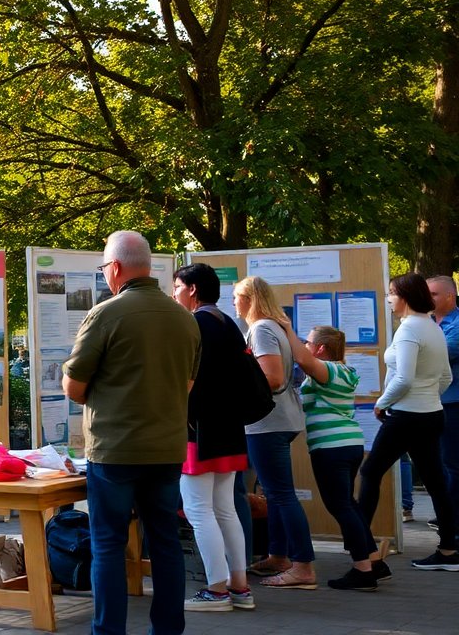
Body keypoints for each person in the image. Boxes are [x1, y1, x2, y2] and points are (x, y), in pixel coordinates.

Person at [62, 231, 199, 635]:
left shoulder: (105, 314)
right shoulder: (185, 319)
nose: (105, 275)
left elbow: (73, 387)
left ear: (116, 268)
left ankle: (108, 631)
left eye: (105, 268)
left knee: (107, 544)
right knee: (165, 543)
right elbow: (187, 385)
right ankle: (169, 630)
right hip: (167, 449)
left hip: (115, 450)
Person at [357, 272, 458, 570]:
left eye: (391, 292)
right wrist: (429, 397)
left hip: (406, 415)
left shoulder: (410, 329)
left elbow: (403, 377)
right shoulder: (432, 327)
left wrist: (382, 403)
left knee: (371, 471)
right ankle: (449, 550)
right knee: (436, 482)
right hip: (430, 413)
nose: (388, 298)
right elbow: (446, 377)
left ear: (405, 297)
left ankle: (362, 553)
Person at [171, 263, 254, 612]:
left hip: (197, 429)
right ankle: (240, 587)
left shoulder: (193, 324)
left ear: (192, 289)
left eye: (176, 286)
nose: (173, 293)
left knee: (199, 510)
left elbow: (183, 379)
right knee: (225, 508)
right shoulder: (229, 325)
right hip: (230, 428)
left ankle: (217, 591)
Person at [278, 322, 380, 590]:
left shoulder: (330, 371)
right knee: (347, 503)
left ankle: (363, 570)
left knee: (340, 506)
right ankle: (373, 561)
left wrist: (287, 330)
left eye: (309, 342)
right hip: (348, 444)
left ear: (321, 348)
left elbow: (302, 358)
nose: (306, 346)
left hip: (331, 448)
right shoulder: (342, 370)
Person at [234, 275, 317, 589]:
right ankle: (279, 556)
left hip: (268, 423)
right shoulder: (272, 327)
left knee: (281, 495)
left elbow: (271, 378)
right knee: (275, 493)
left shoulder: (261, 329)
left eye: (237, 297)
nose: (234, 303)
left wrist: (232, 391)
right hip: (279, 420)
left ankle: (303, 567)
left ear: (250, 299)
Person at [428, 274, 459, 539]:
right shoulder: (426, 323)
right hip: (431, 404)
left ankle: (454, 526)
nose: (428, 299)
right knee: (438, 463)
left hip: (453, 404)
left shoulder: (458, 324)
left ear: (450, 296)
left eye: (434, 294)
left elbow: (440, 354)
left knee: (453, 464)